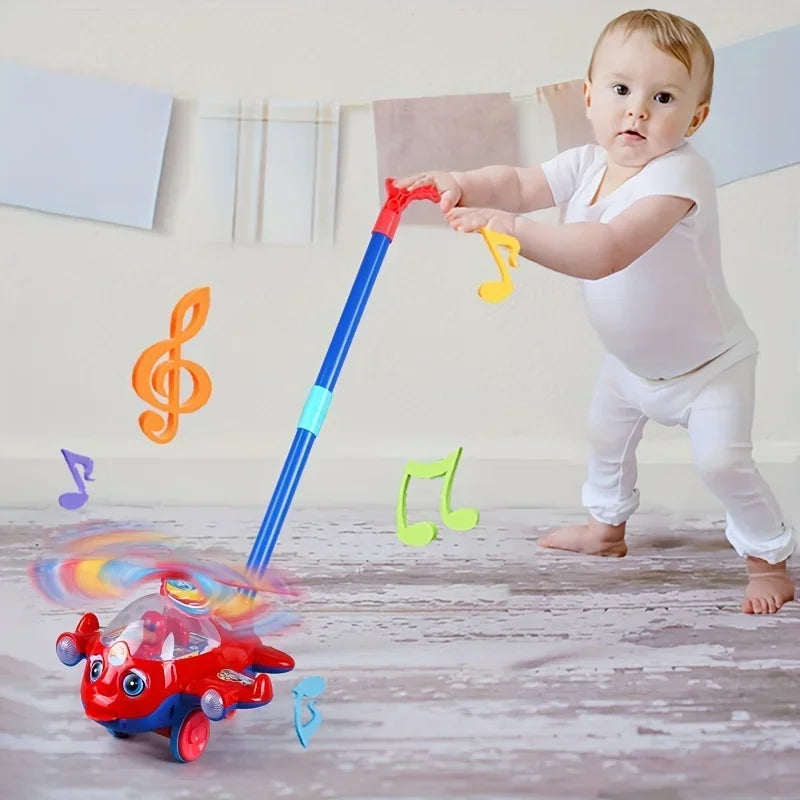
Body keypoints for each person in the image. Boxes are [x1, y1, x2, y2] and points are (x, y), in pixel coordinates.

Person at [395, 8, 796, 614]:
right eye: (621, 89)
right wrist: (461, 182)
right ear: (588, 97)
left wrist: (511, 230)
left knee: (722, 464)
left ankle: (768, 563)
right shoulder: (586, 164)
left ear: (696, 118)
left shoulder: (680, 176)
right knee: (605, 438)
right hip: (630, 365)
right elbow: (518, 183)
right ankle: (606, 529)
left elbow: (606, 251)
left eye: (663, 97)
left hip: (710, 368)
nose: (638, 111)